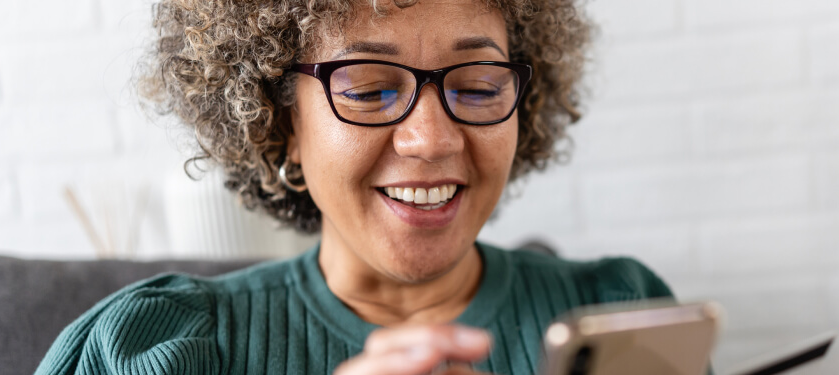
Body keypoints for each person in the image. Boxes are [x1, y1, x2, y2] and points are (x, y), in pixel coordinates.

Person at [36, 0, 674, 374]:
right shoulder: (148, 347)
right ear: (280, 122)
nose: (432, 138)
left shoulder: (623, 310)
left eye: (478, 87)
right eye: (369, 89)